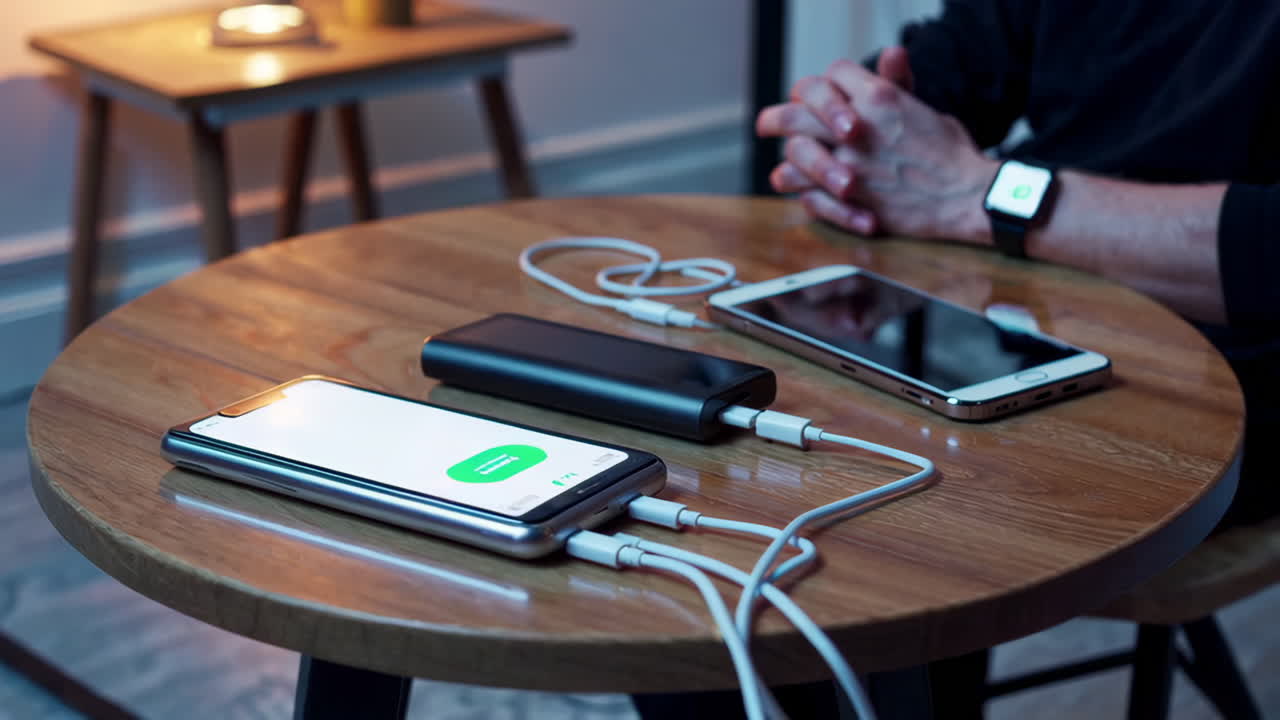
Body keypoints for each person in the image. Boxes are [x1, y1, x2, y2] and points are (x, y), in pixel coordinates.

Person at [747, 1, 1279, 716]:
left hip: (1245, 393)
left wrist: (983, 194)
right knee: (717, 449)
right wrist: (842, 132)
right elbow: (941, 74)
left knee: (884, 513)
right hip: (1047, 339)